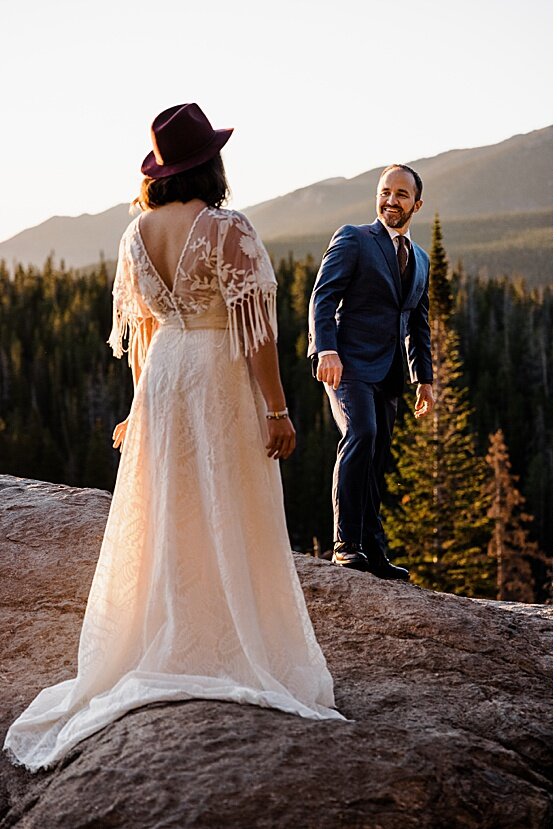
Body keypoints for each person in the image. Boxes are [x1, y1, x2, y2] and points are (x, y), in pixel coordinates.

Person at [5, 103, 343, 771]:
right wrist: (277, 409)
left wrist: (139, 405)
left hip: (165, 379)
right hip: (216, 373)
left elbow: (142, 335)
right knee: (233, 500)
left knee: (170, 505)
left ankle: (171, 634)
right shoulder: (227, 228)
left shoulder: (136, 233)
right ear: (211, 164)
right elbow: (258, 331)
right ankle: (235, 643)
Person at [307, 164, 435, 579]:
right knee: (361, 434)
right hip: (346, 363)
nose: (390, 201)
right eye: (384, 192)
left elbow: (418, 323)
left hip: (391, 373)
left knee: (377, 457)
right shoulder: (354, 238)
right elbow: (322, 298)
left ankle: (374, 552)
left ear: (416, 203)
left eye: (400, 194)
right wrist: (326, 349)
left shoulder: (420, 259)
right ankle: (345, 545)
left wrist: (424, 380)